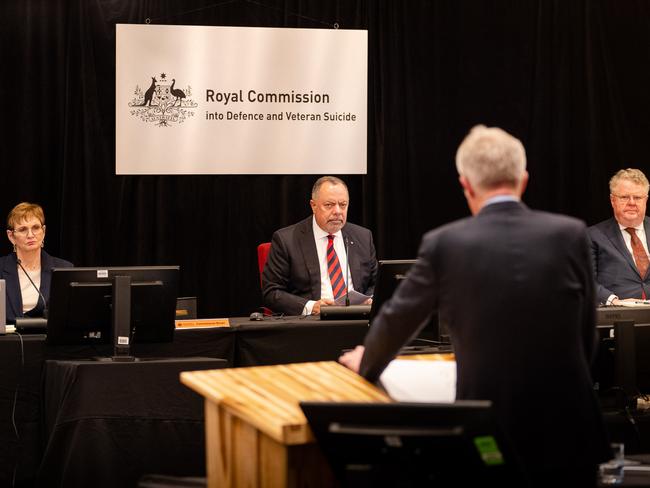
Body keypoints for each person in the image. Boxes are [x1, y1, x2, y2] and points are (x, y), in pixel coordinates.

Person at [340, 126, 610, 485]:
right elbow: (586, 335)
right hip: (569, 431)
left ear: (465, 184)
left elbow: (396, 321)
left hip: (489, 430)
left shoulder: (445, 244)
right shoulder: (571, 234)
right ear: (523, 180)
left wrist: (367, 362)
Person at [262, 176, 377, 315]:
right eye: (329, 205)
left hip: (357, 320)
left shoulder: (363, 237)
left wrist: (370, 299)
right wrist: (311, 307)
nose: (338, 211)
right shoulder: (286, 240)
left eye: (343, 204)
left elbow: (376, 283)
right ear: (313, 206)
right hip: (312, 325)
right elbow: (272, 292)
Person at [0, 202, 73, 323]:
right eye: (23, 229)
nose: (30, 235)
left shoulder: (64, 269)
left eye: (35, 228)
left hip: (47, 339)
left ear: (43, 231)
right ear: (11, 236)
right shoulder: (1, 268)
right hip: (8, 340)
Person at [588, 168, 650, 305]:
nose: (632, 203)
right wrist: (615, 302)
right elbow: (585, 280)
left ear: (646, 200)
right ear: (612, 200)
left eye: (638, 197)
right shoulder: (593, 236)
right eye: (624, 197)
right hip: (618, 317)